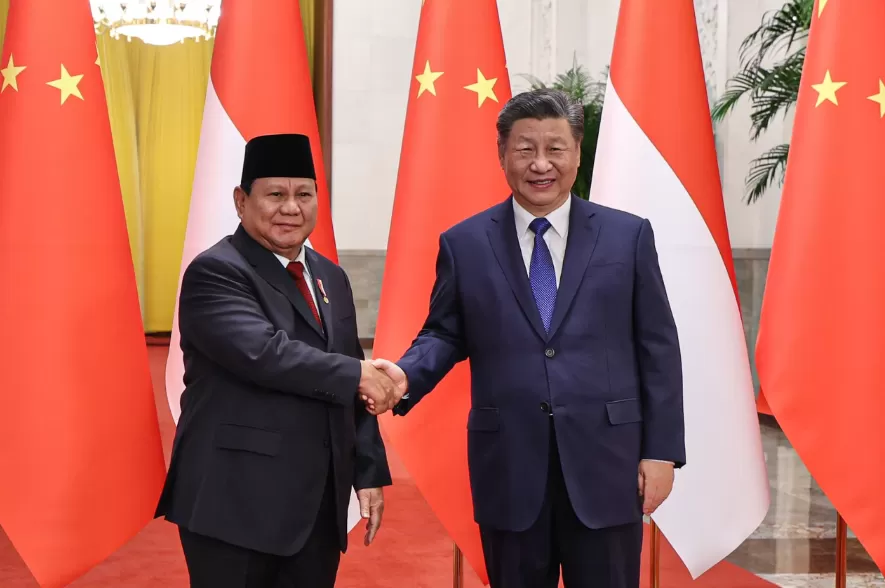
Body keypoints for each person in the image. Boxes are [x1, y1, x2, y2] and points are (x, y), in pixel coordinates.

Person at [370, 89, 685, 588]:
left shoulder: (628, 237)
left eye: (555, 148)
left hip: (608, 464)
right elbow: (445, 332)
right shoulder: (465, 243)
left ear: (577, 152)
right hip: (510, 470)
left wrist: (662, 451)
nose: (541, 164)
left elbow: (658, 348)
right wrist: (404, 374)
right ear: (502, 155)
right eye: (525, 149)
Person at [156, 133, 395, 588]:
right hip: (235, 504)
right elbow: (266, 354)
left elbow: (351, 383)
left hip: (315, 507)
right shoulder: (217, 271)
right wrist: (358, 374)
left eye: (304, 194)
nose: (291, 208)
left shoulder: (330, 276)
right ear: (241, 201)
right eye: (276, 195)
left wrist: (367, 472)